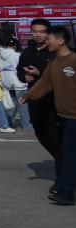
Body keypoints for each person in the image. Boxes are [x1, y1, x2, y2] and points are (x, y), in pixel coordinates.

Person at [20, 26, 76, 205]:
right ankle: (65, 190)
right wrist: (28, 96)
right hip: (64, 117)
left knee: (68, 155)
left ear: (61, 41)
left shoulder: (73, 60)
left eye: (49, 38)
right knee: (67, 155)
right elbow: (44, 83)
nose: (46, 41)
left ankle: (65, 192)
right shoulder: (54, 63)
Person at [20, 18, 60, 171]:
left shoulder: (55, 52)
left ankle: (63, 171)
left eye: (42, 32)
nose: (38, 35)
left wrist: (40, 73)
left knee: (56, 137)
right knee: (41, 134)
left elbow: (61, 76)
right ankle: (64, 161)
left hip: (54, 101)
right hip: (35, 102)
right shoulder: (27, 52)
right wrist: (24, 76)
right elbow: (19, 70)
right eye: (35, 31)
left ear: (49, 33)